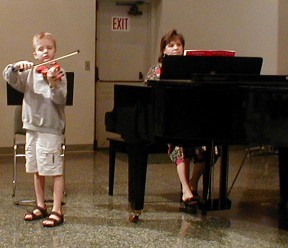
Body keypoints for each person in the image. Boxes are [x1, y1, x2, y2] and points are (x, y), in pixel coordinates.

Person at [3, 32, 66, 227]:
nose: (45, 52)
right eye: (41, 49)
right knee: (36, 168)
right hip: (32, 127)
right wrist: (15, 67)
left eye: (49, 48)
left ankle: (57, 209)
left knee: (55, 170)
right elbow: (9, 78)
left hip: (50, 128)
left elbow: (60, 99)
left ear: (55, 51)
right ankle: (41, 205)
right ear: (35, 53)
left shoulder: (58, 73)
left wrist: (53, 83)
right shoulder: (29, 73)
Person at [145, 29, 209, 209]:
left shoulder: (192, 70)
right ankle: (186, 191)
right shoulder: (157, 70)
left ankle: (192, 183)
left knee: (212, 146)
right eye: (171, 45)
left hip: (191, 121)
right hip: (168, 122)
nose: (175, 48)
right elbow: (150, 97)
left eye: (179, 45)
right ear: (163, 50)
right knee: (181, 145)